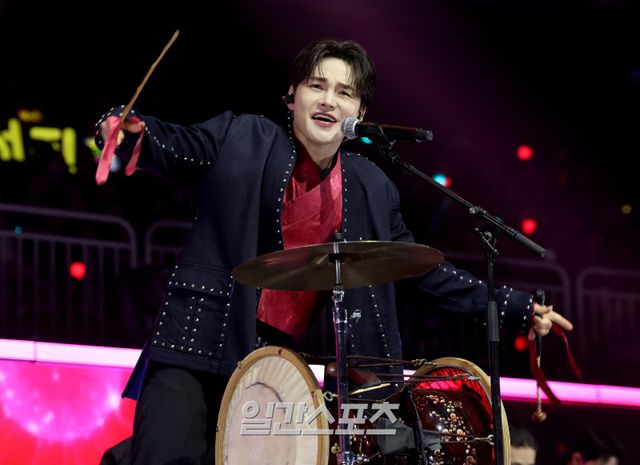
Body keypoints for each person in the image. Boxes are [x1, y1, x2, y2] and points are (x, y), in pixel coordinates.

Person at [95, 37, 574, 465]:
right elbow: (179, 145)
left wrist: (517, 305)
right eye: (316, 86)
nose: (328, 100)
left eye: (345, 92)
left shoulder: (370, 186)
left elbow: (421, 271)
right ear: (292, 96)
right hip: (200, 346)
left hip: (281, 370)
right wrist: (132, 131)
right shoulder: (241, 136)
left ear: (359, 112)